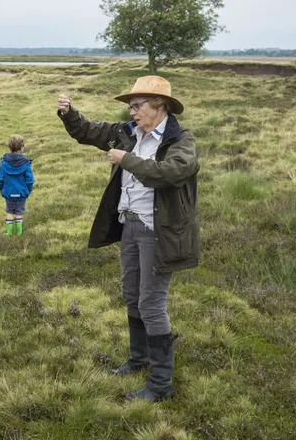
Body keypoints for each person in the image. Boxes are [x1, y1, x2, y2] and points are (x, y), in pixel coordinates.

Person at [56, 75, 200, 402]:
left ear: (159, 105)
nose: (132, 111)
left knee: (151, 302)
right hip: (131, 227)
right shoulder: (127, 133)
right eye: (131, 106)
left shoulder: (181, 140)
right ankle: (140, 360)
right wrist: (69, 113)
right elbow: (88, 131)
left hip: (158, 233)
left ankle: (161, 386)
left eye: (137, 106)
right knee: (131, 294)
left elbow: (172, 173)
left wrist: (127, 160)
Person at [0, 135, 35, 236]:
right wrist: (28, 191)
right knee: (19, 212)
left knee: (9, 211)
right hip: (21, 193)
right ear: (22, 147)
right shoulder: (26, 163)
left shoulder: (3, 161)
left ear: (9, 147)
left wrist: (1, 189)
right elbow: (30, 180)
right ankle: (19, 233)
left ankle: (8, 232)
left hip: (8, 193)